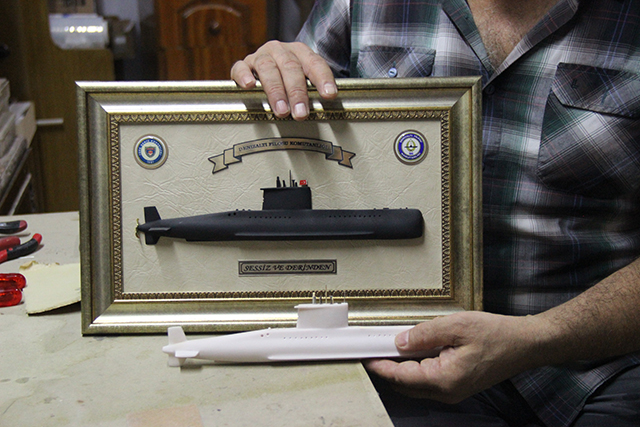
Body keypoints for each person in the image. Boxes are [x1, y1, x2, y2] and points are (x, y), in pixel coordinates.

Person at [231, 1, 640, 425]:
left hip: (593, 365)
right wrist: (275, 69)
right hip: (400, 354)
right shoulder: (363, 6)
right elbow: (286, 127)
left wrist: (539, 337)